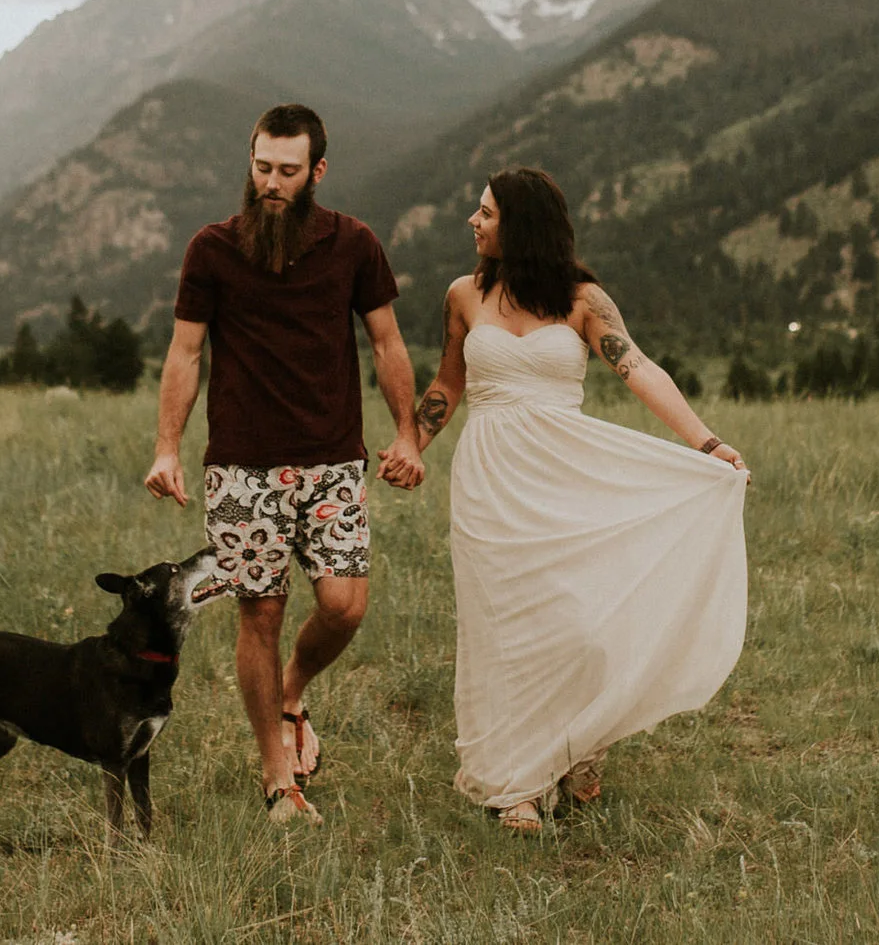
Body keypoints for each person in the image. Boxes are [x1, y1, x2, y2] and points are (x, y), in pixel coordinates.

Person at [406, 166, 749, 833]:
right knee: (502, 627)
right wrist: (411, 443)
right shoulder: (462, 295)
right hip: (489, 479)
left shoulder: (583, 299)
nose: (472, 222)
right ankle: (518, 786)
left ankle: (581, 741)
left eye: (485, 212)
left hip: (565, 472)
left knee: (583, 621)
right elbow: (448, 383)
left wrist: (707, 444)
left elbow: (639, 368)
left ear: (521, 224)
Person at [143, 103, 424, 826]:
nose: (271, 182)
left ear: (317, 172)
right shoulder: (211, 250)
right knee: (259, 612)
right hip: (242, 467)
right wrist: (167, 446)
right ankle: (278, 778)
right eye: (262, 167)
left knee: (343, 604)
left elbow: (388, 344)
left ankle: (294, 691)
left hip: (333, 459)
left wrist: (407, 434)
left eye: (288, 171)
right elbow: (185, 353)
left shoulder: (354, 244)